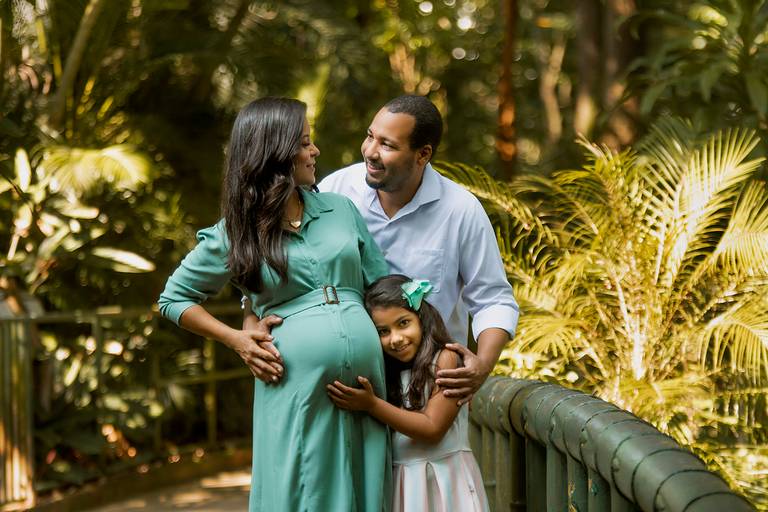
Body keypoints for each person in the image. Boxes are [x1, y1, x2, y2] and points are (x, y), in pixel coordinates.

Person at [157, 97, 391, 511]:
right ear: (274, 153)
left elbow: (383, 288)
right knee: (302, 489)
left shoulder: (340, 210)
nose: (314, 151)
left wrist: (431, 339)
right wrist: (237, 339)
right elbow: (174, 299)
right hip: (293, 386)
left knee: (365, 487)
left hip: (365, 393)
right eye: (304, 143)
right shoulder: (234, 233)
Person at [247, 95, 519, 404]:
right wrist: (249, 325)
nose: (370, 152)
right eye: (369, 136)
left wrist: (482, 365)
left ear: (423, 154)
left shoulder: (460, 210)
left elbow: (493, 299)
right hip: (345, 384)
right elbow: (277, 256)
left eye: (387, 145)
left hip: (426, 389)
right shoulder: (335, 190)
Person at [327, 275, 490, 512]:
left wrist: (371, 405)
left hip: (444, 479)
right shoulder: (385, 371)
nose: (396, 339)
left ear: (421, 318)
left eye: (403, 323)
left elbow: (432, 429)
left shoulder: (444, 358)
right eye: (383, 331)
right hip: (402, 482)